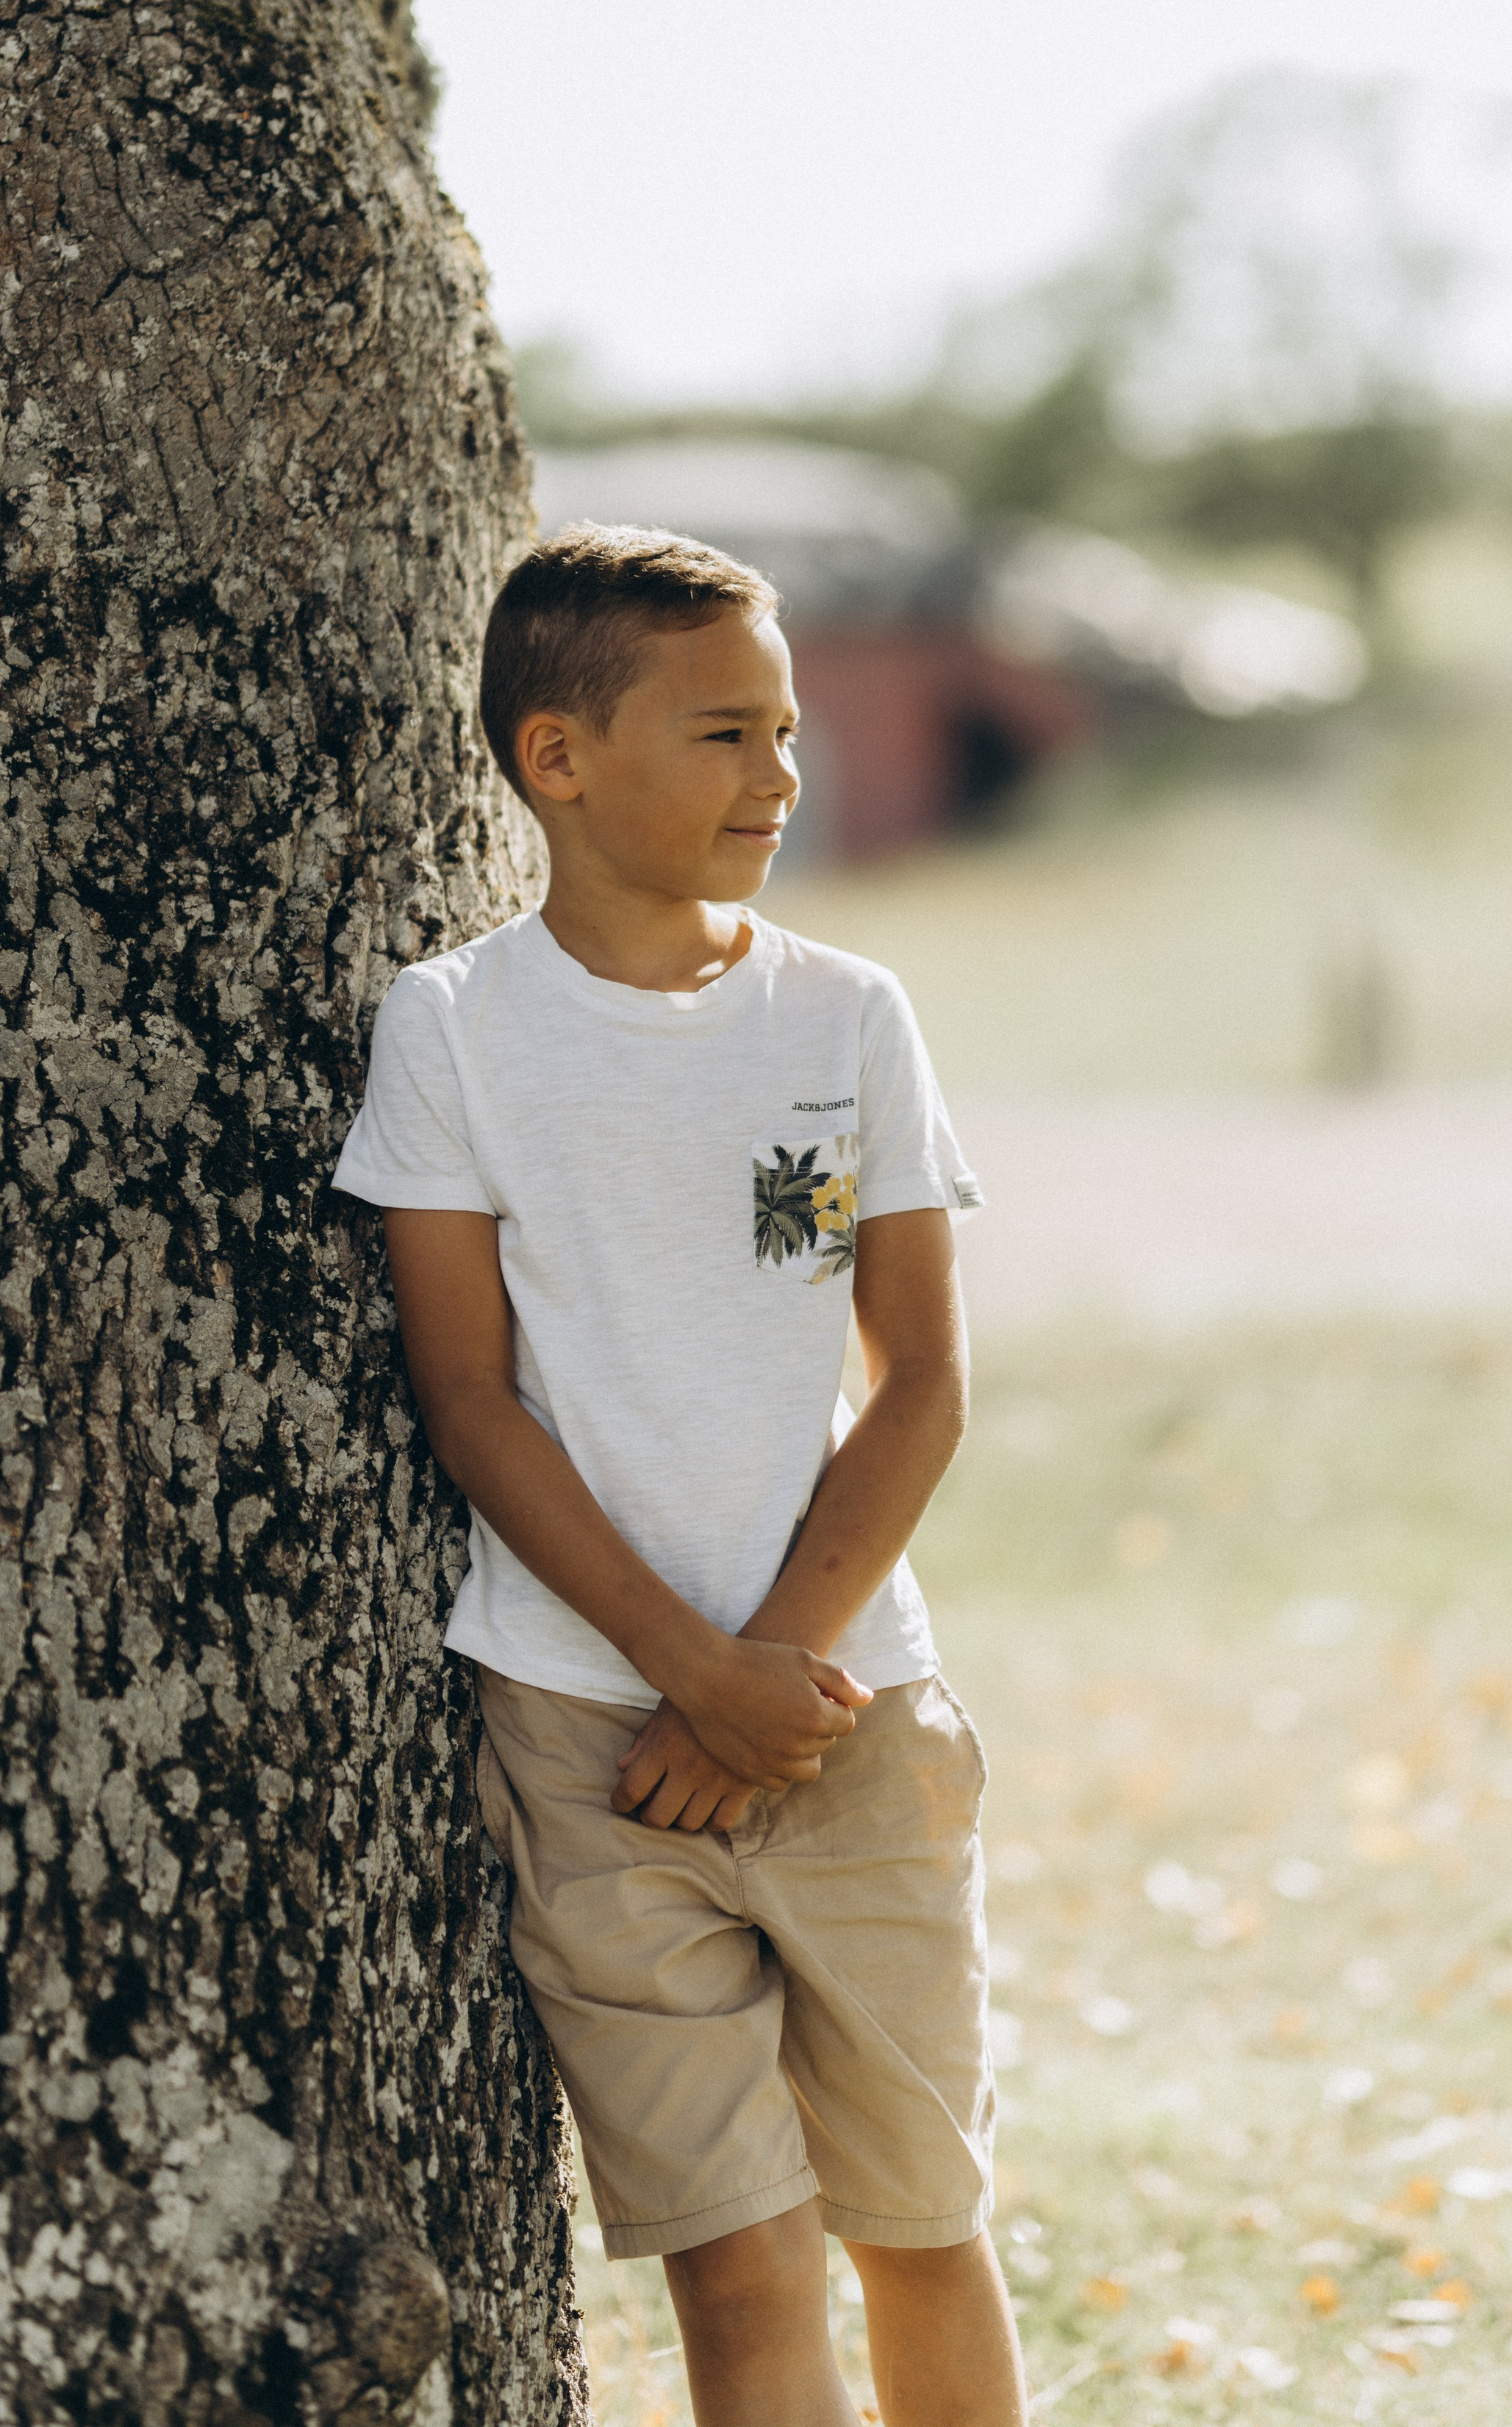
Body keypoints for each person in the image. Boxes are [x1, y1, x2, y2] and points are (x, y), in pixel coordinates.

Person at [334, 523, 1025, 2427]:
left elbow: (923, 1382)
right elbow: (471, 1401)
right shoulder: (458, 1032)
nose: (780, 778)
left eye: (787, 733)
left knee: (919, 2220)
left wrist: (767, 1675)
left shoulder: (846, 1018)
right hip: (586, 1736)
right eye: (725, 735)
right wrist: (682, 1673)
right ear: (560, 757)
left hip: (843, 1707)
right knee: (735, 2256)